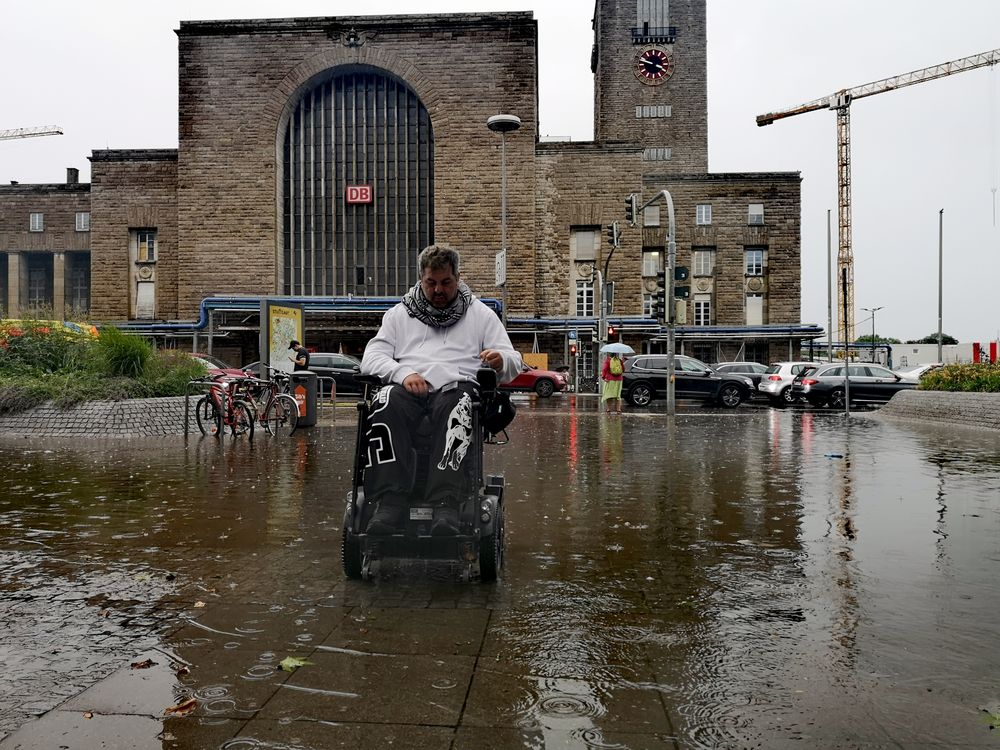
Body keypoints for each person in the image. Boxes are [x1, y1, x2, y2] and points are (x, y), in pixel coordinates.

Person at [360, 244, 522, 535]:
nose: (438, 290)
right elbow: (371, 358)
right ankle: (390, 501)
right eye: (431, 283)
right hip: (408, 387)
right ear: (421, 279)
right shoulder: (398, 315)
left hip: (457, 388)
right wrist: (402, 373)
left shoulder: (481, 314)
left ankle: (446, 503)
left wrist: (500, 360)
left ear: (458, 278)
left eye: (445, 283)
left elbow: (514, 361)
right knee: (383, 400)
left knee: (460, 403)